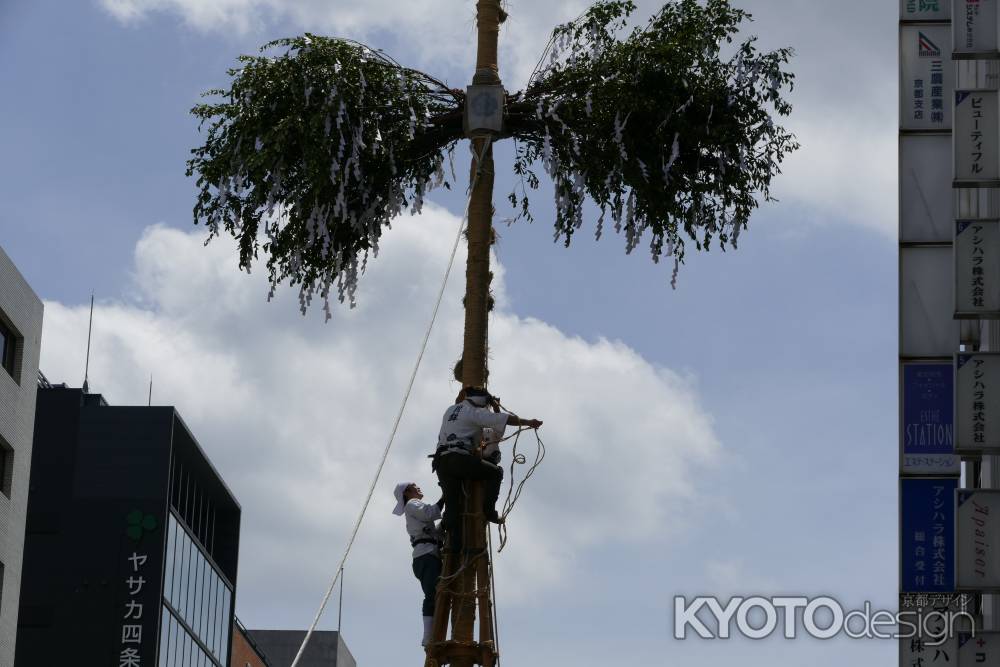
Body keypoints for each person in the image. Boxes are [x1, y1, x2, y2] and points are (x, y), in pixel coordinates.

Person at [433, 386, 542, 551]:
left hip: (441, 462)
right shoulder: (475, 413)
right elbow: (503, 419)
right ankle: (489, 512)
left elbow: (490, 419)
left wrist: (493, 404)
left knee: (453, 507)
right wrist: (528, 422)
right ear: (481, 402)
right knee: (495, 473)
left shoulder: (451, 410)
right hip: (459, 459)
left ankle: (454, 547)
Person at [393, 481, 445, 647]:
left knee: (437, 593)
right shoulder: (412, 504)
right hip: (426, 556)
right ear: (407, 493)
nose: (418, 487)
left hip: (428, 555)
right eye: (414, 486)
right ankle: (428, 636)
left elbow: (434, 531)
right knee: (432, 595)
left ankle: (433, 633)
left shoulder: (414, 508)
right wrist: (445, 496)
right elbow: (429, 513)